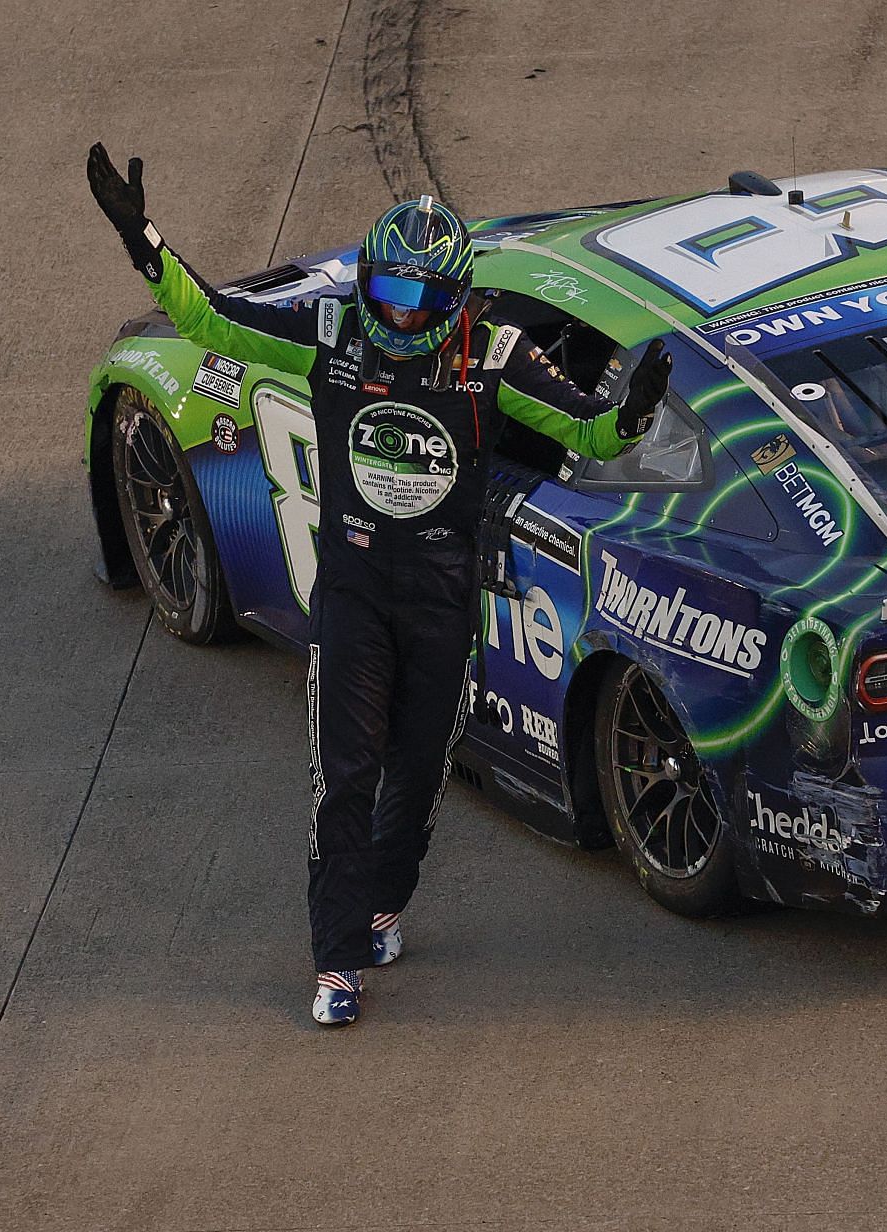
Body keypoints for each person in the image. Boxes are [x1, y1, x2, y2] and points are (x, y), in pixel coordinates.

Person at [86, 143, 671, 1026]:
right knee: (344, 776)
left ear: (454, 299)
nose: (398, 317)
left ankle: (386, 903)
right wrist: (145, 242)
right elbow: (211, 323)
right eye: (386, 292)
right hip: (353, 591)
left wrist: (632, 410)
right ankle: (336, 962)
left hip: (442, 599)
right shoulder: (333, 331)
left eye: (418, 299)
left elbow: (590, 435)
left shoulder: (493, 352)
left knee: (424, 764)